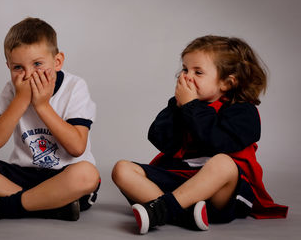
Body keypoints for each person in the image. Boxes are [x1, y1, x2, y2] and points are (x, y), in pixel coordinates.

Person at [112, 35, 288, 234]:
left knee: (223, 163)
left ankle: (163, 209)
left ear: (227, 83)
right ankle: (185, 215)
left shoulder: (242, 110)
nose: (187, 77)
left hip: (223, 190)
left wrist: (190, 106)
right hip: (183, 179)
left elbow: (217, 142)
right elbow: (162, 141)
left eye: (198, 72)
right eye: (185, 69)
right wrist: (177, 109)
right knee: (122, 169)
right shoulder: (181, 105)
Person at [0, 17, 100, 223]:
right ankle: (46, 206)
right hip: (23, 173)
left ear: (57, 61)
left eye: (37, 64)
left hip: (63, 176)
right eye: (18, 68)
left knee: (87, 174)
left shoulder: (74, 87)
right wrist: (21, 99)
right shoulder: (12, 90)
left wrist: (42, 106)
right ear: (8, 66)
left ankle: (5, 206)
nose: (28, 75)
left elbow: (77, 147)